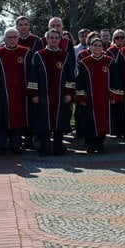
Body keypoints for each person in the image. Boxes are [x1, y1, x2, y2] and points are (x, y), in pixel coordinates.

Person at [28, 28, 74, 156]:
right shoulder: (38, 55)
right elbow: (33, 76)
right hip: (43, 95)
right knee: (44, 120)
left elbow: (70, 76)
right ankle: (45, 147)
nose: (54, 40)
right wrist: (34, 94)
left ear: (60, 40)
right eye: (51, 37)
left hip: (61, 95)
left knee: (60, 120)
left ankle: (58, 147)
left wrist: (69, 93)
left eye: (56, 38)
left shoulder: (65, 56)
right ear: (47, 39)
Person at [74, 33, 121, 154]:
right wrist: (81, 96)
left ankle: (100, 143)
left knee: (103, 120)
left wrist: (114, 95)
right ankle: (90, 144)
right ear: (90, 47)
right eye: (95, 45)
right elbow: (79, 80)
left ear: (103, 48)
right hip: (89, 98)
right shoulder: (84, 62)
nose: (97, 47)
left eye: (100, 45)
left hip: (104, 98)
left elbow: (115, 80)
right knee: (88, 120)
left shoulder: (109, 62)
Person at [0, 28, 30, 155]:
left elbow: (31, 74)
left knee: (18, 120)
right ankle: (1, 146)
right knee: (1, 121)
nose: (12, 39)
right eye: (9, 37)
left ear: (18, 38)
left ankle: (16, 145)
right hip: (2, 94)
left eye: (14, 37)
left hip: (20, 94)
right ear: (5, 39)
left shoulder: (26, 53)